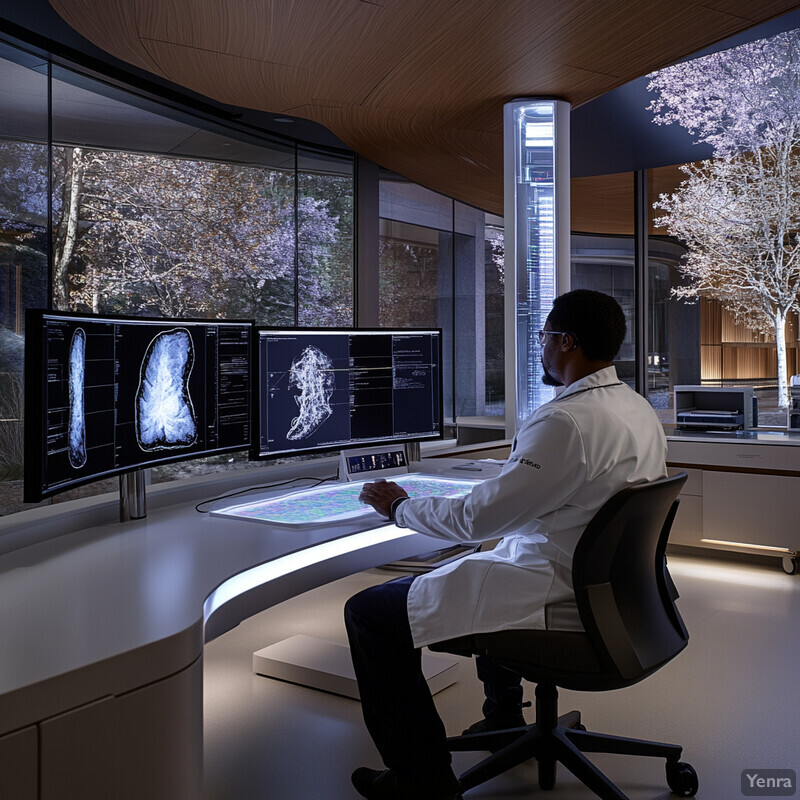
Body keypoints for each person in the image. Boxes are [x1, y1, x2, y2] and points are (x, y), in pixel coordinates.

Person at [344, 289, 668, 800]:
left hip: (559, 592)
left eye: (542, 337)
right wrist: (515, 477)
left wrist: (399, 507)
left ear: (564, 341)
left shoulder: (565, 421)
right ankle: (502, 719)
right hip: (614, 591)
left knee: (369, 613)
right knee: (486, 561)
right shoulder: (633, 406)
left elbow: (477, 519)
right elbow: (570, 487)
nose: (540, 347)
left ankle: (422, 781)